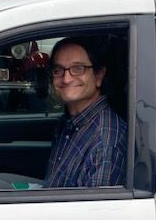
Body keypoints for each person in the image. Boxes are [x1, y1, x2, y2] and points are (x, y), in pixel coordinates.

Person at [43, 38, 127, 188]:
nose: (66, 79)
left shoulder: (104, 143)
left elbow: (96, 209)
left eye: (78, 68)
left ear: (99, 76)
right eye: (58, 70)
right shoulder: (70, 122)